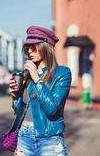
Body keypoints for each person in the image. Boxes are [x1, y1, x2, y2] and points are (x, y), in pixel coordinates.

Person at [9, 25, 72, 156]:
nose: (29, 52)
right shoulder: (27, 75)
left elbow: (53, 109)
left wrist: (37, 78)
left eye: (34, 47)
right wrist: (15, 96)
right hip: (24, 136)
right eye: (27, 48)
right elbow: (19, 111)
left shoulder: (62, 73)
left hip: (49, 138)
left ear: (46, 47)